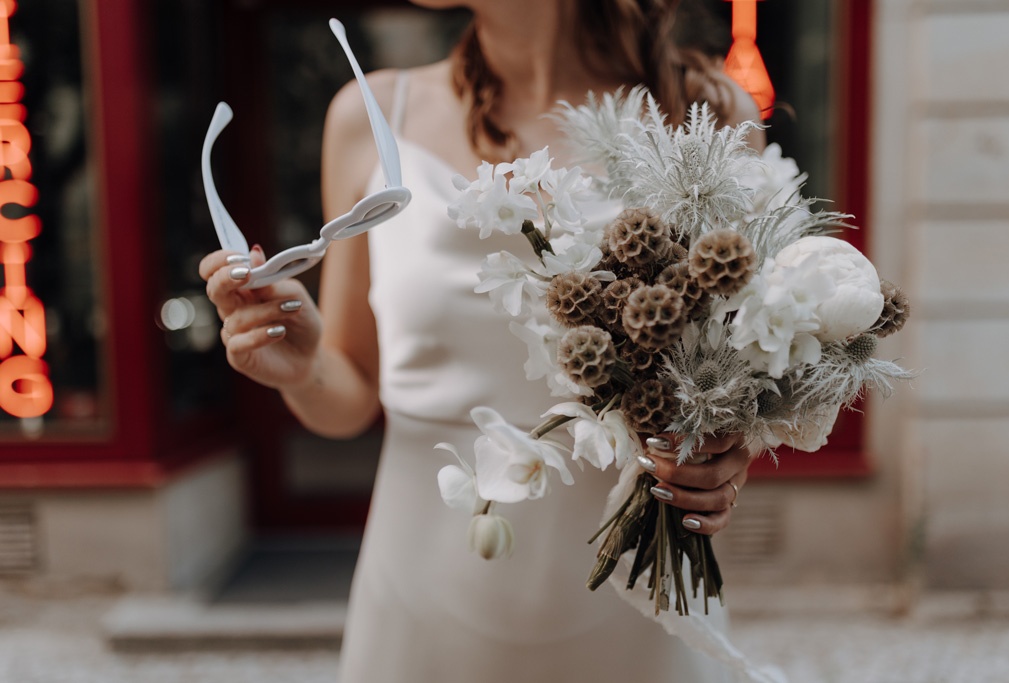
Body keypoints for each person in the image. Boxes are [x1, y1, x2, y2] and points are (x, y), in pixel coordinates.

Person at [201, 1, 767, 681]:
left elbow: (732, 384)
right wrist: (300, 368)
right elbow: (347, 397)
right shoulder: (371, 113)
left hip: (639, 609)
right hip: (418, 614)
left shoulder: (709, 116)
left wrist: (722, 459)